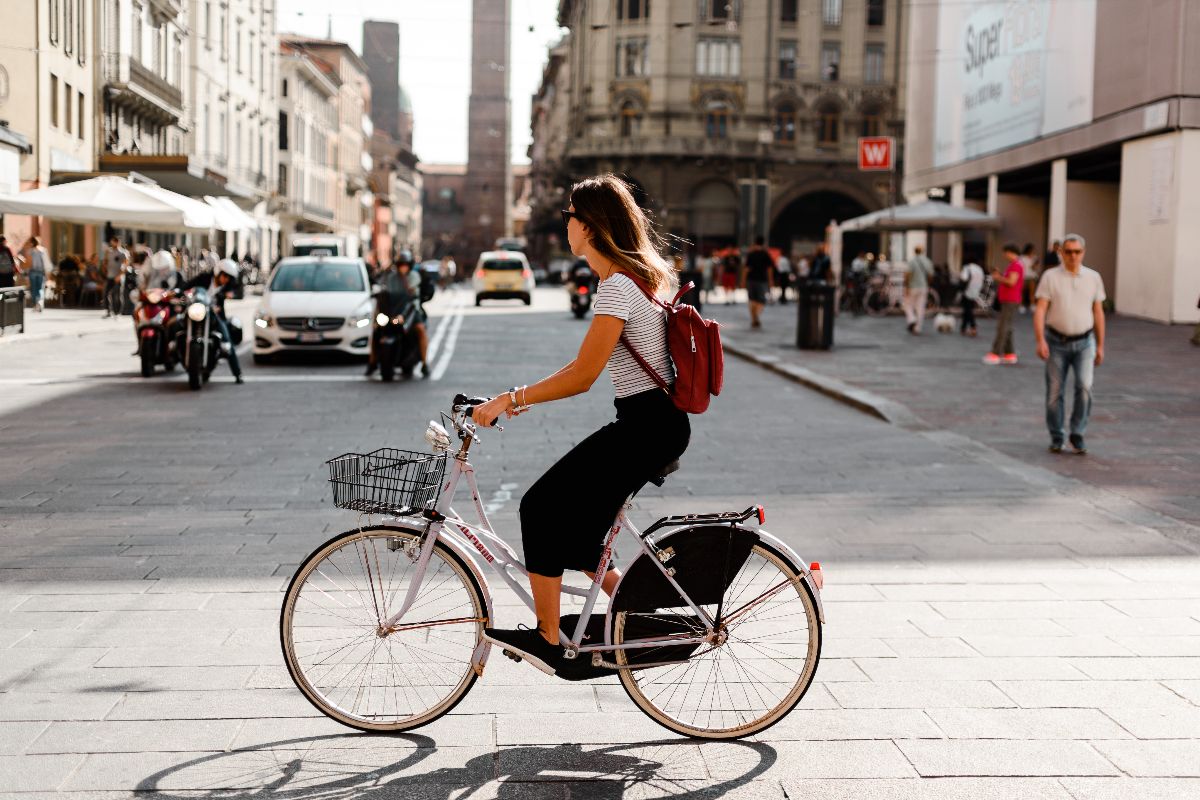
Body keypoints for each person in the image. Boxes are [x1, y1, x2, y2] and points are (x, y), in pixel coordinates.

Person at [472, 174, 690, 677]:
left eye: (571, 214)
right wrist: (523, 397)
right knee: (583, 536)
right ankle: (644, 612)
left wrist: (511, 398)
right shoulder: (642, 277)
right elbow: (583, 372)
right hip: (654, 422)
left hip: (646, 427)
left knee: (540, 505)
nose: (565, 221)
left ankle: (549, 638)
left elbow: (583, 375)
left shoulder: (618, 286)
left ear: (589, 226)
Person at [1033, 234, 1106, 455]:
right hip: (1056, 341)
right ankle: (1057, 435)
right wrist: (1040, 340)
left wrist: (1101, 345)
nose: (1073, 256)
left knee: (1084, 387)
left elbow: (1098, 312)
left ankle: (1078, 433)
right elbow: (1041, 309)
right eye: (1068, 251)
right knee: (1055, 392)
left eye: (1077, 251)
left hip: (1084, 342)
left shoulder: (1093, 277)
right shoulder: (1050, 276)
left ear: (1083, 252)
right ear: (1061, 253)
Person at [366, 251, 429, 377]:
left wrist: (407, 284)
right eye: (401, 264)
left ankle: (424, 363)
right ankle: (372, 362)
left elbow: (412, 293)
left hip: (410, 311)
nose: (403, 267)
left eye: (405, 265)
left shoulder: (414, 276)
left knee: (420, 329)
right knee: (376, 330)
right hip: (392, 311)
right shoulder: (390, 277)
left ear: (410, 265)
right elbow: (383, 289)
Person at [182, 258, 245, 384]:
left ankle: (237, 373)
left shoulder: (226, 287)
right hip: (198, 311)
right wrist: (181, 294)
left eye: (229, 278)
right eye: (225, 276)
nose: (226, 279)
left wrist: (231, 294)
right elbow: (187, 286)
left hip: (215, 316)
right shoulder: (204, 278)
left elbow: (238, 290)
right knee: (177, 323)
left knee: (227, 339)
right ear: (218, 272)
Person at [983, 243, 1025, 365]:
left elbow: (1011, 282)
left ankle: (996, 353)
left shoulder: (1016, 265)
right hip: (1009, 299)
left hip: (1010, 300)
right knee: (1008, 327)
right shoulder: (1015, 265)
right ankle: (1009, 353)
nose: (1004, 255)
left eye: (1005, 253)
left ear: (1010, 252)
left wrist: (998, 277)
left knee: (1003, 327)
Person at [743, 236, 774, 329]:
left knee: (752, 300)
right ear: (763, 243)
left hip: (751, 280)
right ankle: (756, 316)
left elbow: (746, 269)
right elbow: (769, 269)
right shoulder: (766, 254)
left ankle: (754, 318)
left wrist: (743, 280)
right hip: (762, 280)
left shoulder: (751, 254)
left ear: (755, 243)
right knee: (761, 300)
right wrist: (771, 280)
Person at [903, 245, 933, 334]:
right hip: (923, 287)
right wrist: (928, 284)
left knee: (907, 305)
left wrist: (906, 286)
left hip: (913, 287)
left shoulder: (912, 261)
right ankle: (917, 328)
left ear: (915, 251)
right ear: (923, 251)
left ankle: (912, 319)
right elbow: (930, 275)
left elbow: (907, 274)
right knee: (920, 307)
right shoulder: (927, 261)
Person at [102, 236, 129, 317]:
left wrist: (120, 275)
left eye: (116, 241)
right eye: (113, 241)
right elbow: (105, 262)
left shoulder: (123, 252)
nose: (114, 243)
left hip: (118, 277)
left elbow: (126, 265)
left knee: (117, 295)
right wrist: (105, 270)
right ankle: (108, 311)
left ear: (118, 242)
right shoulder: (108, 252)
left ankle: (117, 312)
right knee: (106, 293)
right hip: (110, 275)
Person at [21, 237, 49, 311]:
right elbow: (46, 263)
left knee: (33, 289)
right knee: (40, 288)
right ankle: (39, 302)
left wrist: (25, 272)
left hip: (32, 271)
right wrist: (47, 273)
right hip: (41, 272)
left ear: (32, 243)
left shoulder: (30, 251)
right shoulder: (43, 250)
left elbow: (28, 263)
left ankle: (36, 304)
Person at [960, 259, 985, 337]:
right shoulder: (980, 269)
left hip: (967, 290)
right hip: (976, 291)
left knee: (968, 309)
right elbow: (982, 280)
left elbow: (963, 278)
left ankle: (973, 326)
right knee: (967, 309)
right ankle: (963, 327)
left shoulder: (967, 268)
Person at [1020, 243, 1040, 313]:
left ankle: (1032, 305)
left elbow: (1034, 268)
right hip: (1024, 276)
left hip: (1032, 276)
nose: (1033, 251)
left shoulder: (1034, 258)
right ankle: (1021, 306)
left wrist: (1035, 263)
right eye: (1032, 250)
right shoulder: (1022, 257)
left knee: (1032, 292)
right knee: (1022, 292)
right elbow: (1021, 267)